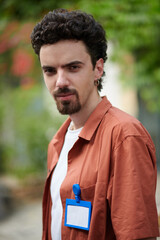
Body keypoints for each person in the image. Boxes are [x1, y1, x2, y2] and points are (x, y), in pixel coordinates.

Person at [31, 9, 159, 240]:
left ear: (97, 69)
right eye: (50, 71)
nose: (60, 82)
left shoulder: (124, 136)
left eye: (73, 67)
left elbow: (138, 235)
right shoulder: (58, 143)